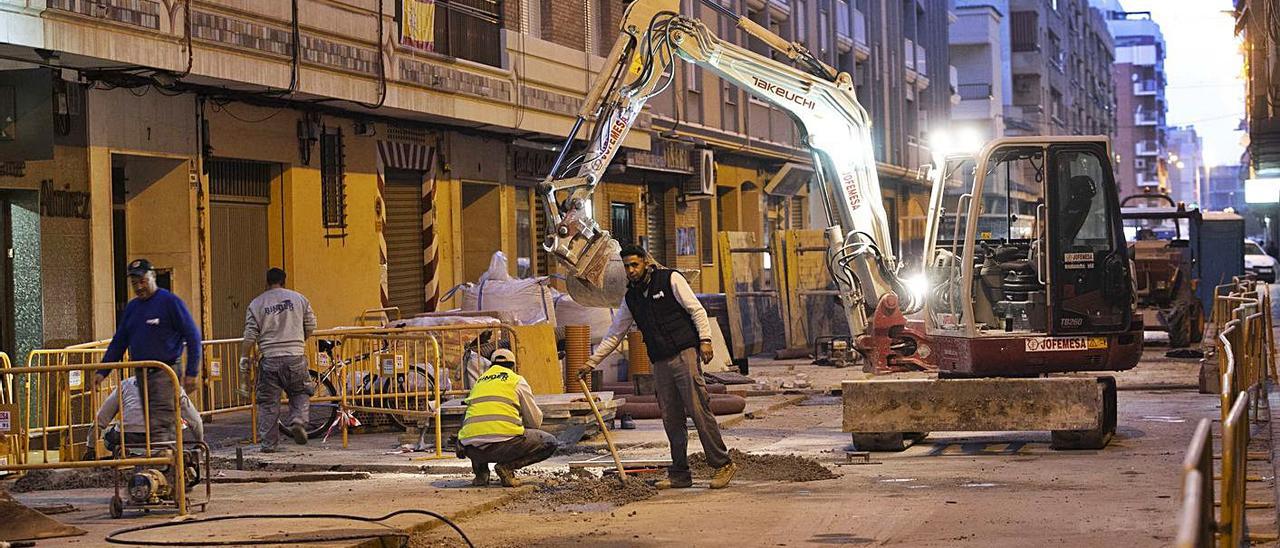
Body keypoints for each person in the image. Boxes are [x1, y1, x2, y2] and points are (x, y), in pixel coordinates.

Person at [581, 244, 736, 490]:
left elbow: (696, 310)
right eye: (627, 267)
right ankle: (680, 474)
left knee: (698, 410)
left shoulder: (670, 279)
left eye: (635, 265)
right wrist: (591, 362)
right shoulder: (631, 298)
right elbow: (615, 333)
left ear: (646, 262)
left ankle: (722, 464)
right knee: (671, 418)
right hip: (660, 361)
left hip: (684, 354)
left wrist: (705, 340)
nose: (631, 270)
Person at [94, 259, 202, 444]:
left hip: (164, 372)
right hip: (142, 373)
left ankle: (161, 465)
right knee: (152, 423)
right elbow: (119, 341)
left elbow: (192, 336)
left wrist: (192, 372)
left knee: (161, 423)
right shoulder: (133, 308)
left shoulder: (170, 302)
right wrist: (102, 371)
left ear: (153, 277)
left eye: (142, 281)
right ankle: (162, 462)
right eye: (134, 283)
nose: (139, 287)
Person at [240, 268, 317, 452]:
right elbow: (311, 325)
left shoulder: (256, 303)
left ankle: (268, 444)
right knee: (300, 393)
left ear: (266, 282)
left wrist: (244, 357)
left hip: (269, 359)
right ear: (284, 281)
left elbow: (250, 335)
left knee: (268, 403)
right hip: (295, 357)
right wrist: (299, 340)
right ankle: (298, 420)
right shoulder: (299, 299)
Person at [458, 349, 556, 487]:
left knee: (479, 428)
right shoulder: (516, 380)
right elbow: (534, 421)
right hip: (503, 447)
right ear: (513, 366)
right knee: (549, 442)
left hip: (471, 449)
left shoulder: (479, 382)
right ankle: (507, 467)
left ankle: (481, 475)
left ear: (491, 365)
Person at [93, 376, 204, 456]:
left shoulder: (125, 384)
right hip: (162, 434)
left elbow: (101, 418)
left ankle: (126, 451)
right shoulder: (173, 384)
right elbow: (195, 421)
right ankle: (165, 451)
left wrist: (90, 447)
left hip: (128, 434)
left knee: (108, 436)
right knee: (178, 431)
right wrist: (200, 442)